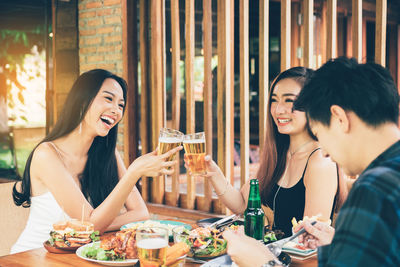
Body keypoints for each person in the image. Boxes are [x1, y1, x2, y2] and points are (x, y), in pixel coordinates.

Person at [224, 57, 400, 267]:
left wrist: (264, 263)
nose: (324, 151)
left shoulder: (374, 189)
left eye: (319, 133)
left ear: (339, 118)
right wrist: (338, 243)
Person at [11, 69, 181, 253]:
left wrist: (94, 225)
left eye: (121, 105)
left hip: (77, 258)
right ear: (83, 101)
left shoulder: (107, 154)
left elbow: (141, 214)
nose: (116, 110)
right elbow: (92, 224)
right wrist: (134, 173)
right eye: (108, 99)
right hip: (32, 257)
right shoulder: (47, 154)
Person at [190, 67, 342, 236]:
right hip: (269, 256)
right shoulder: (279, 152)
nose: (278, 110)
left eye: (289, 101)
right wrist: (214, 174)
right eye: (274, 100)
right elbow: (241, 204)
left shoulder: (320, 161)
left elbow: (309, 239)